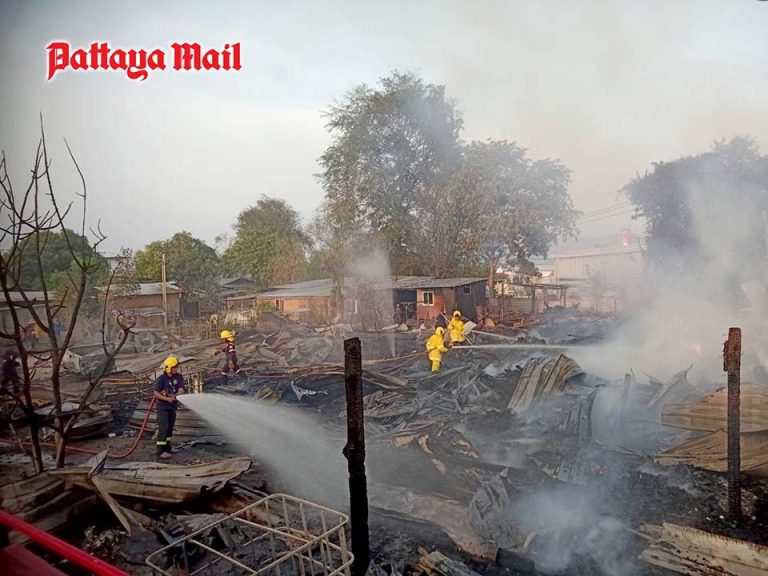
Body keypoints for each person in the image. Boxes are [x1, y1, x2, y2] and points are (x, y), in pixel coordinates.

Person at [153, 356, 185, 459]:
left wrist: (178, 393)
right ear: (168, 368)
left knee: (170, 428)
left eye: (177, 367)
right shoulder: (161, 379)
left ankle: (167, 448)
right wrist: (167, 399)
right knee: (164, 428)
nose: (176, 369)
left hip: (172, 407)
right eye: (174, 367)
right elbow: (156, 393)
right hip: (163, 407)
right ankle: (160, 451)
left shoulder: (179, 377)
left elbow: (181, 388)